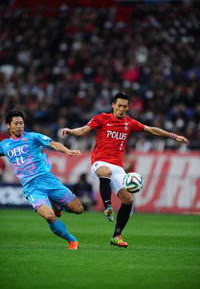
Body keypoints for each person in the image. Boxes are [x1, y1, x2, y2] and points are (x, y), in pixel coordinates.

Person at [61, 92, 189, 248]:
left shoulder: (130, 123)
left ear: (128, 107)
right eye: (119, 105)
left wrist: (174, 136)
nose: (121, 109)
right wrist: (72, 131)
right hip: (99, 162)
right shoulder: (101, 118)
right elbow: (84, 130)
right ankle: (108, 207)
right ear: (113, 105)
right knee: (105, 172)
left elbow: (152, 130)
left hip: (118, 166)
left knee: (128, 200)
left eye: (124, 106)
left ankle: (116, 236)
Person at [0, 109, 84, 250]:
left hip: (47, 179)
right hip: (31, 187)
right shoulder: (4, 145)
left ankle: (58, 205)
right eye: (16, 123)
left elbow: (53, 144)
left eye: (21, 123)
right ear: (8, 125)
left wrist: (68, 151)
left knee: (78, 209)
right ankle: (72, 241)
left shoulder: (32, 137)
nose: (19, 126)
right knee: (49, 217)